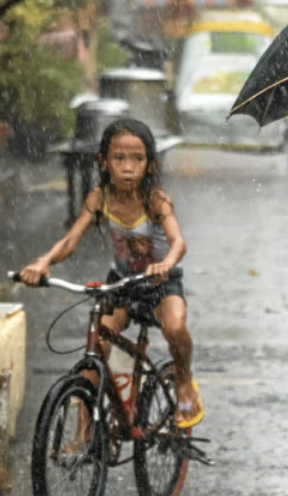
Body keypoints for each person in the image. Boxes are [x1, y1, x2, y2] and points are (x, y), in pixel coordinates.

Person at [19, 118, 202, 428]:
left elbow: (178, 242)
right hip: (122, 282)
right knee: (96, 345)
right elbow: (69, 241)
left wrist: (166, 263)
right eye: (119, 159)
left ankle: (184, 381)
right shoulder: (99, 198)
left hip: (160, 281)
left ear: (149, 164)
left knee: (175, 327)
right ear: (104, 162)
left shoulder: (155, 200)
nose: (128, 168)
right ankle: (83, 427)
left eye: (137, 159)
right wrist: (43, 261)